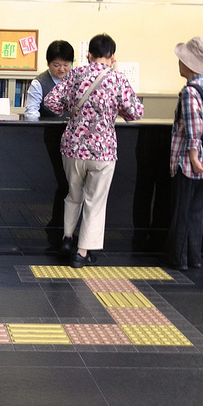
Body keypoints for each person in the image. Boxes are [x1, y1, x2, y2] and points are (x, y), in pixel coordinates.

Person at [43, 33, 144, 267]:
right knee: (95, 201)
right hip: (103, 150)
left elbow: (51, 102)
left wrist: (71, 108)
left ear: (88, 54)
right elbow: (136, 112)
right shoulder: (117, 79)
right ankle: (82, 252)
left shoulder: (76, 74)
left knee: (73, 194)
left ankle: (67, 238)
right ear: (113, 56)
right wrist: (114, 111)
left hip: (73, 147)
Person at [165, 36, 203, 271]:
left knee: (183, 210)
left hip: (190, 161)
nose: (179, 63)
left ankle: (179, 259)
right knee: (198, 212)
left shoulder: (189, 92)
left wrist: (194, 156)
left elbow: (194, 126)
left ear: (189, 64)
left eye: (181, 60)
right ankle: (194, 257)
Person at [24, 40, 74, 247]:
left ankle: (62, 226)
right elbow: (31, 114)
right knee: (64, 183)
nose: (62, 69)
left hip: (75, 141)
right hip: (52, 139)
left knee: (72, 185)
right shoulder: (39, 83)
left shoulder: (77, 79)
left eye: (66, 64)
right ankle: (58, 227)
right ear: (48, 63)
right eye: (56, 65)